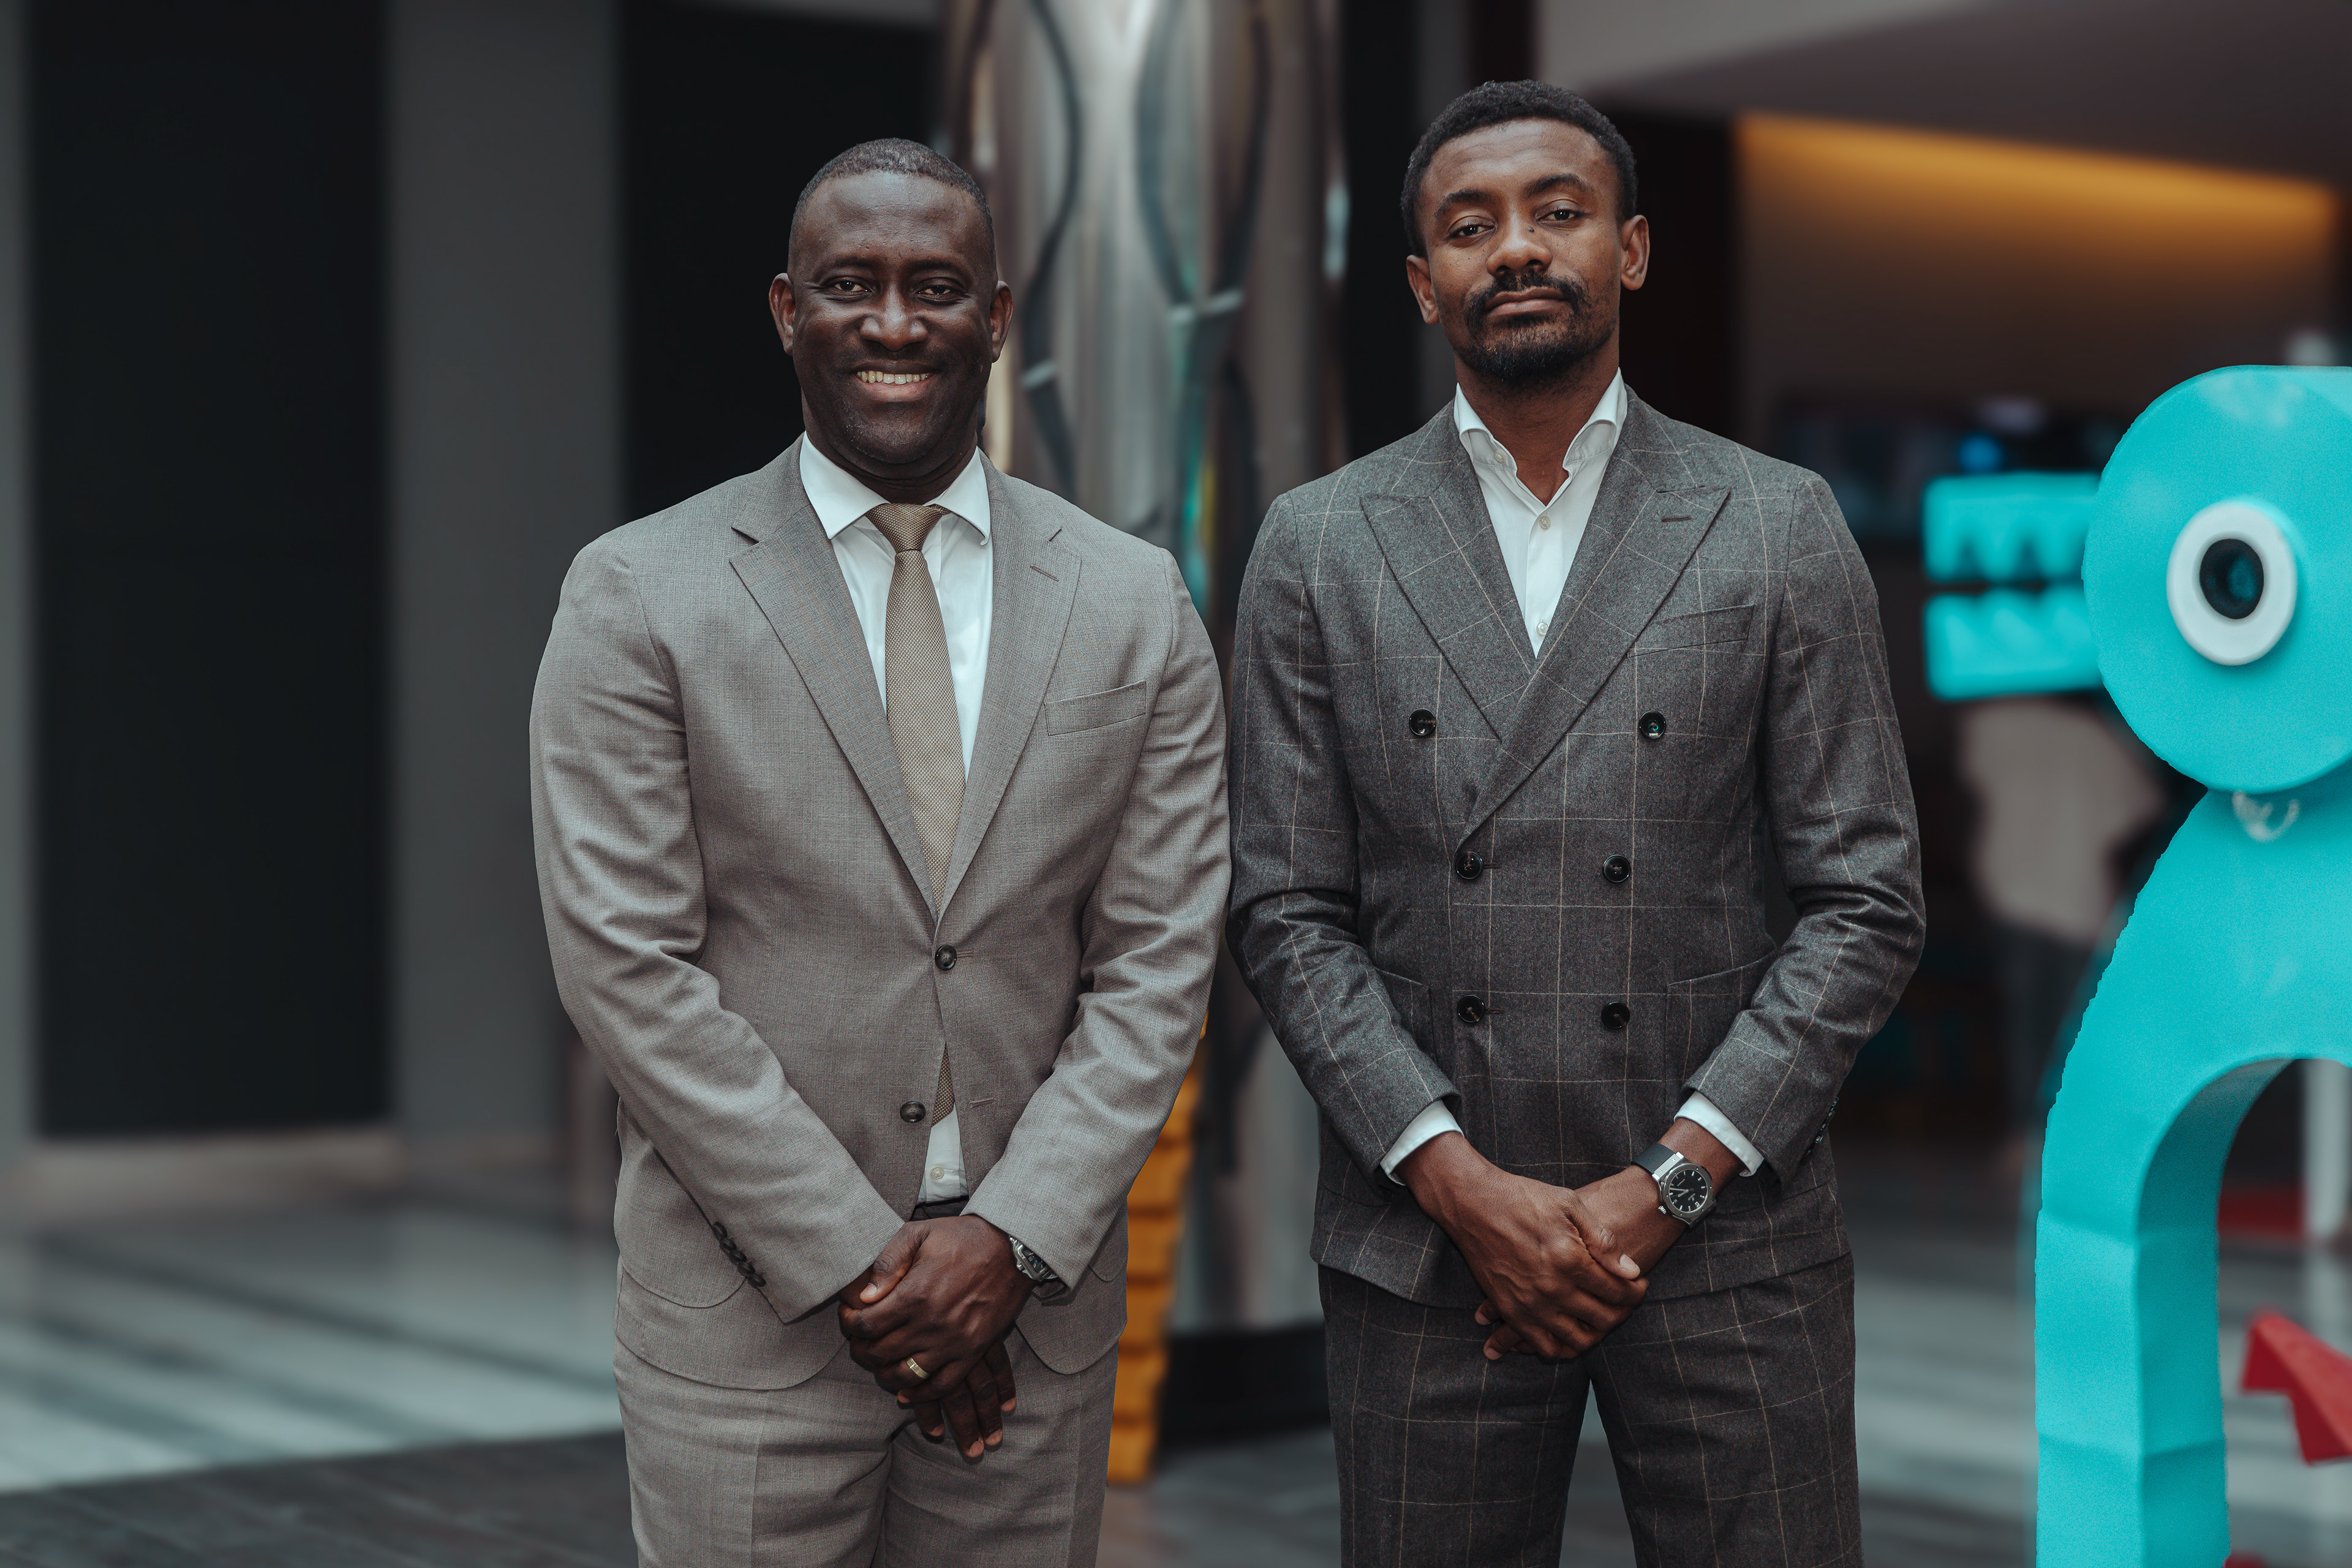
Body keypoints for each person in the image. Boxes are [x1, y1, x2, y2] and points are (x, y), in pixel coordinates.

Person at [1226, 83, 1925, 1566]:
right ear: (1423, 282)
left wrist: (1671, 1179)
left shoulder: (1775, 520)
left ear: (1634, 249)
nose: (1518, 249)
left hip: (1727, 1232)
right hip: (1431, 1240)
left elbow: (1866, 896)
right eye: (1469, 226)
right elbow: (1284, 907)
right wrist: (1457, 1180)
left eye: (1559, 211)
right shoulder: (1318, 541)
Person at [530, 138, 1227, 1567]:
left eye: (936, 286)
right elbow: (627, 968)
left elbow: (1162, 959)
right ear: (788, 310)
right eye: (851, 285)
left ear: (998, 315)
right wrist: (875, 1273)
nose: (894, 322)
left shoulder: (1133, 598)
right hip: (748, 1335)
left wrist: (1007, 1242)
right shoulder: (637, 592)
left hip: (1031, 1320)